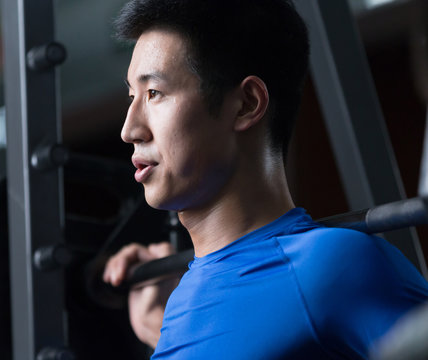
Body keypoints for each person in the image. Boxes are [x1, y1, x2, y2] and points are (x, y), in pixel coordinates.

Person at [102, 0, 428, 358]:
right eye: (133, 96)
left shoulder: (334, 265)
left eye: (153, 94)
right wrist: (155, 329)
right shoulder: (184, 298)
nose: (129, 129)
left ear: (246, 104)